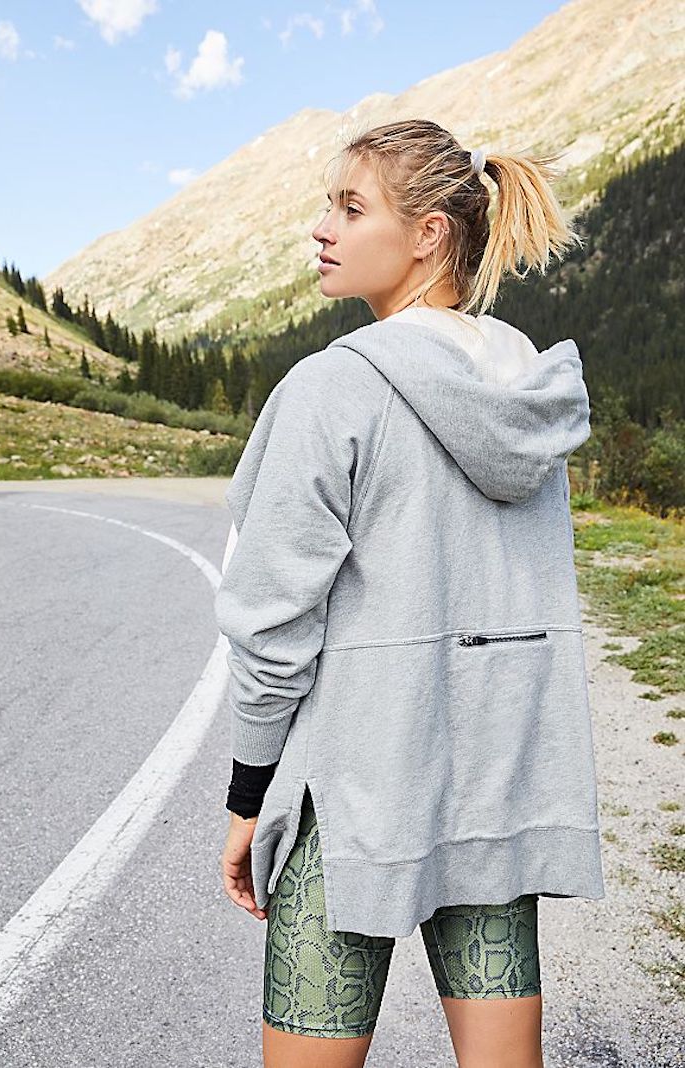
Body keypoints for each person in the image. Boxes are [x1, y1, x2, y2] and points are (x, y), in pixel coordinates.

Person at [216, 119, 605, 1068]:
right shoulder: (528, 387)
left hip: (358, 792)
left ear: (429, 234)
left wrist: (248, 793)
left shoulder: (332, 388)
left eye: (350, 208)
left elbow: (272, 620)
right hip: (498, 785)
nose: (322, 229)